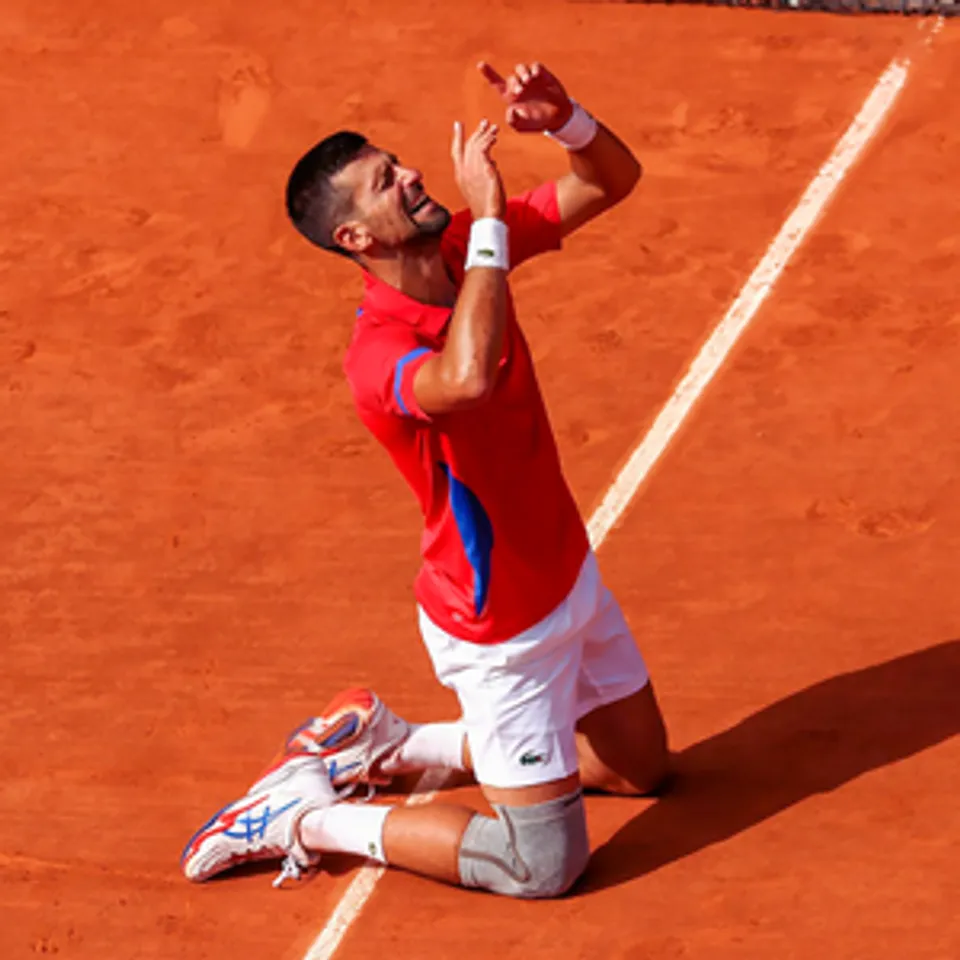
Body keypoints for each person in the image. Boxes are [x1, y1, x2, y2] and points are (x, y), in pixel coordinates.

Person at [181, 60, 670, 899]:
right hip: (499, 630)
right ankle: (301, 816)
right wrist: (487, 219)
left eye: (396, 161)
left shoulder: (459, 253)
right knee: (542, 867)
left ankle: (389, 745)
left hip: (566, 576)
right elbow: (467, 375)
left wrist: (566, 121)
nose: (411, 174)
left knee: (639, 772)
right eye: (385, 182)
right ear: (356, 240)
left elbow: (608, 183)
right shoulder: (380, 356)